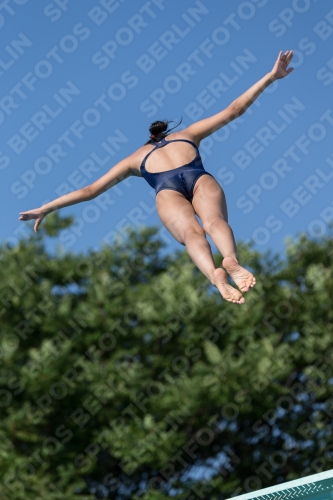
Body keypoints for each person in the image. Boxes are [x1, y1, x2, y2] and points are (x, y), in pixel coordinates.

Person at [19, 51, 294, 305]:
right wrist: (271, 76)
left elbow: (90, 190)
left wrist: (46, 207)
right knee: (214, 221)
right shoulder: (187, 135)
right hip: (198, 177)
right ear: (165, 132)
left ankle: (214, 275)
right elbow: (234, 109)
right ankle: (231, 259)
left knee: (191, 234)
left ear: (149, 138)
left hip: (166, 190)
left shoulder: (135, 159)